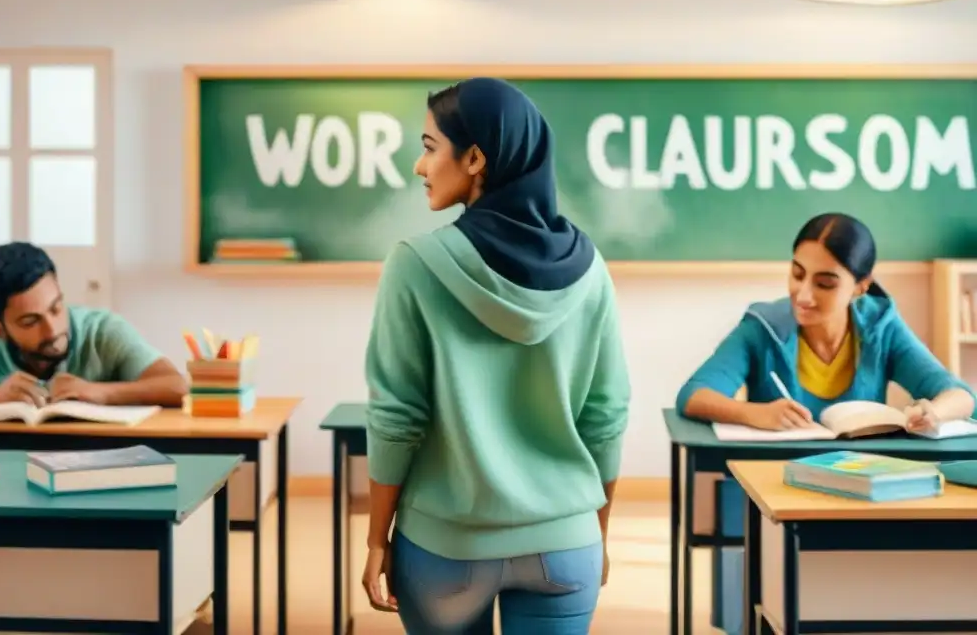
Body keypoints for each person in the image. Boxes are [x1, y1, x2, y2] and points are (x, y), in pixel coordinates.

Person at [359, 78, 631, 634]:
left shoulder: (415, 263)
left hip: (444, 545)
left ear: (476, 157)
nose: (419, 165)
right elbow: (606, 417)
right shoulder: (590, 268)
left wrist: (375, 539)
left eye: (431, 146)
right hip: (566, 541)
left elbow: (395, 418)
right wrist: (595, 533)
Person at [676, 212, 976, 431]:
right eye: (797, 274)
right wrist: (754, 413)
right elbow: (694, 394)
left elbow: (961, 395)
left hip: (859, 481)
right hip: (773, 486)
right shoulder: (762, 326)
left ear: (861, 286)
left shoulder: (881, 327)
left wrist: (933, 412)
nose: (803, 295)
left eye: (825, 284)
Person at [0, 241, 187, 411]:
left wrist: (100, 393)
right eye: (30, 321)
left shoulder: (102, 331)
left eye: (55, 308)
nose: (52, 330)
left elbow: (177, 387)